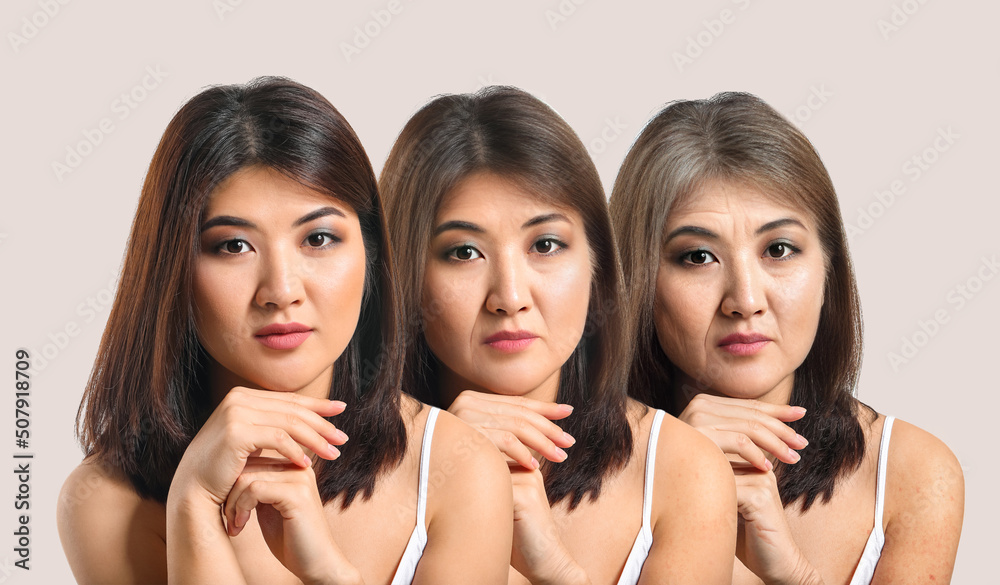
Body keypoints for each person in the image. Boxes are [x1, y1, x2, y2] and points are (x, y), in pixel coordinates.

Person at [56, 77, 512, 585]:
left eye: (318, 238)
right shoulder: (107, 503)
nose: (280, 289)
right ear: (173, 270)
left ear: (371, 256)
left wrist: (329, 574)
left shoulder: (457, 468)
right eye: (232, 246)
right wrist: (192, 507)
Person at [380, 86, 736, 585]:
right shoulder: (330, 458)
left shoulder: (682, 471)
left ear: (596, 262)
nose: (509, 295)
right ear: (405, 273)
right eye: (463, 252)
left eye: (545, 244)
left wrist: (552, 565)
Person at [609, 92, 964, 584]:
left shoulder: (912, 474)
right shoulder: (561, 458)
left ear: (828, 271)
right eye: (697, 257)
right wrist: (677, 481)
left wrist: (792, 574)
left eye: (778, 249)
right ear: (638, 280)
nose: (745, 299)